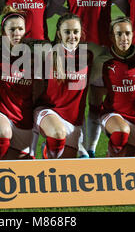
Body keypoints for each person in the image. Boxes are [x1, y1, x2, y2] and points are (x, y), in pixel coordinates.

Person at [48, 0, 128, 158]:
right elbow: (52, 9)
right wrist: (69, 13)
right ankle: (78, 147)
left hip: (102, 52)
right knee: (76, 102)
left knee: (96, 102)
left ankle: (90, 149)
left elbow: (127, 10)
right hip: (75, 53)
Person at [33, 13, 94, 159]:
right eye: (67, 32)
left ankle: (48, 152)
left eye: (75, 32)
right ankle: (46, 151)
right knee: (57, 134)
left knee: (62, 169)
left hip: (74, 121)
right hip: (49, 113)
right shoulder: (47, 54)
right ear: (59, 33)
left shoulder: (89, 56)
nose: (72, 36)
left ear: (81, 33)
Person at [90, 17, 135, 157]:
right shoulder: (103, 60)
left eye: (127, 33)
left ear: (132, 35)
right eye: (119, 34)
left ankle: (109, 162)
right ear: (112, 36)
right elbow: (85, 82)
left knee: (131, 167)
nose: (124, 38)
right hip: (112, 114)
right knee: (121, 133)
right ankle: (110, 158)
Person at [0, 6, 39, 160]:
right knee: (1, 137)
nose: (16, 33)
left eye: (20, 29)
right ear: (3, 32)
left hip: (23, 119)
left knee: (18, 165)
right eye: (12, 29)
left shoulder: (35, 59)